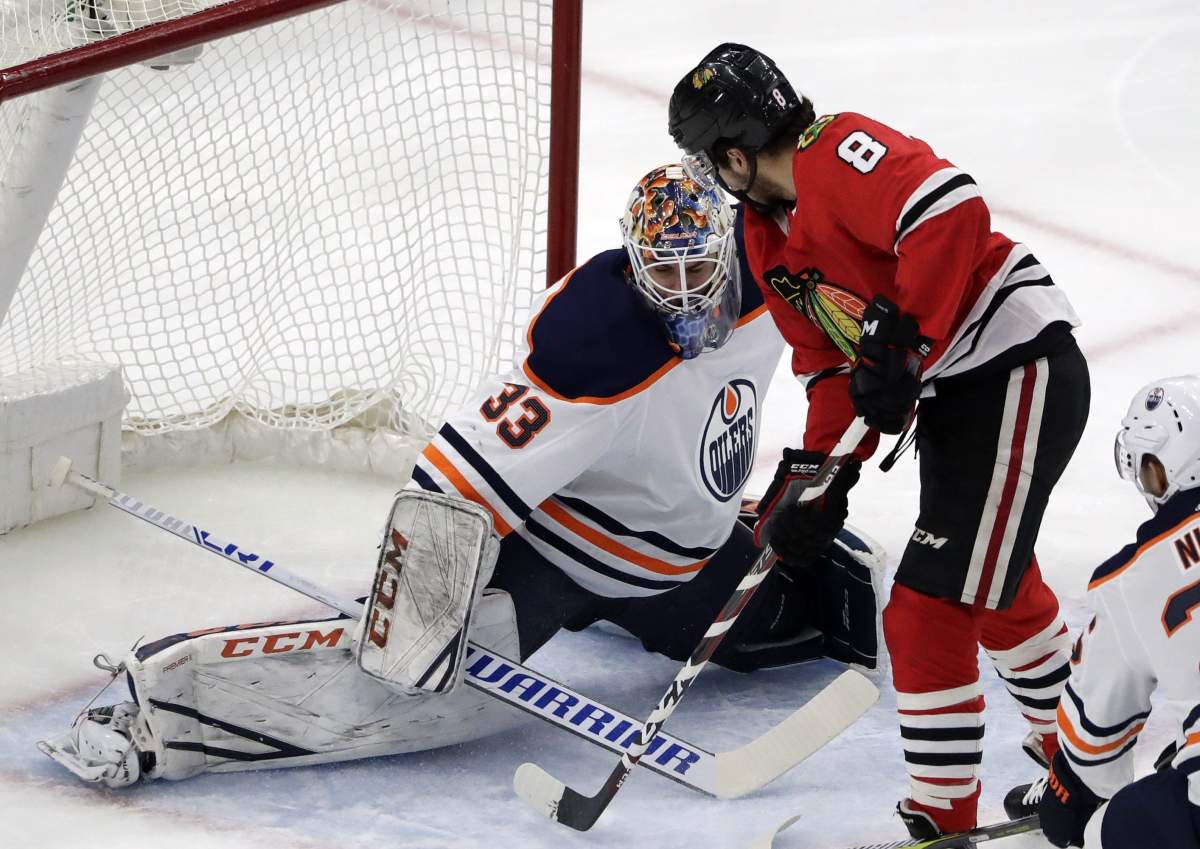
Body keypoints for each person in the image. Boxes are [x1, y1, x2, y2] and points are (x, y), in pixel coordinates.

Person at [40, 164, 885, 789]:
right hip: (560, 556)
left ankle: (664, 598)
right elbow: (450, 478)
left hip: (683, 562)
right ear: (633, 266)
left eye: (702, 268)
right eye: (664, 274)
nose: (688, 292)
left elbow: (861, 263)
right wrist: (417, 631)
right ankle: (166, 711)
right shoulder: (599, 346)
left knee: (799, 624)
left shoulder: (778, 272)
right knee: (417, 699)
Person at [668, 44, 1091, 839]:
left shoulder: (836, 151)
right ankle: (1085, 764)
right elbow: (830, 369)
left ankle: (941, 820)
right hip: (965, 392)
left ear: (732, 153)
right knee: (992, 584)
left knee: (928, 608)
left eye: (706, 158)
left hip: (1016, 364)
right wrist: (819, 479)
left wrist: (908, 341)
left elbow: (951, 207)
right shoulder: (765, 238)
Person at [1004, 377, 1200, 849]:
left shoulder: (1131, 578)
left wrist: (1066, 797)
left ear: (1156, 469)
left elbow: (1094, 747)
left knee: (1098, 829)